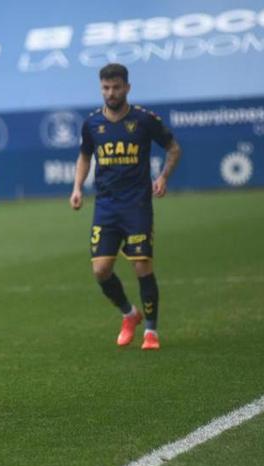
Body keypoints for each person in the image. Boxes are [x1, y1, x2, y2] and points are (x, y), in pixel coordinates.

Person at [70, 63, 181, 351]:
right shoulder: (92, 124)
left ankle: (151, 331)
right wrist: (77, 187)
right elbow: (84, 156)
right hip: (105, 206)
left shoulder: (144, 120)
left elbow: (173, 147)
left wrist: (163, 177)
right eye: (106, 88)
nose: (111, 93)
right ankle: (129, 314)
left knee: (141, 266)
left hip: (137, 206)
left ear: (127, 88)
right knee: (100, 270)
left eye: (116, 87)